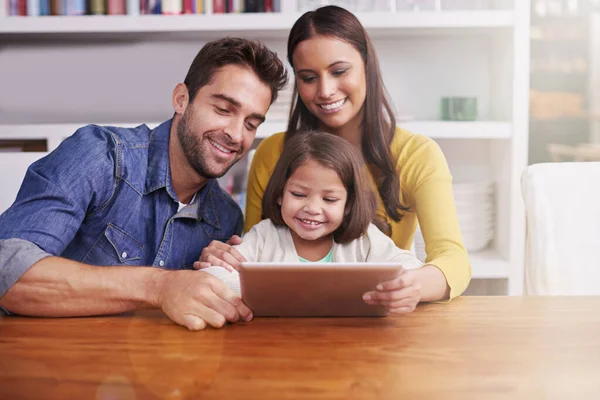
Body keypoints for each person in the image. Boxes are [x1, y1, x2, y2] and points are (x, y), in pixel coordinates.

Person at [0, 37, 288, 331]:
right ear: (181, 99)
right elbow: (7, 271)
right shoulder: (101, 156)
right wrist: (159, 287)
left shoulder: (225, 219)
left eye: (251, 124)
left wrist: (217, 277)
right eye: (224, 109)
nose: (237, 135)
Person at [199, 6, 471, 311]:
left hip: (371, 320)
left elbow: (454, 260)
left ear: (366, 66)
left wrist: (411, 286)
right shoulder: (272, 153)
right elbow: (256, 252)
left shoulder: (416, 154)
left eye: (339, 71)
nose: (326, 91)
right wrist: (224, 259)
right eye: (309, 77)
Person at [200, 131, 423, 313]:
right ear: (280, 194)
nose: (312, 209)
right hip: (275, 342)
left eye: (329, 199)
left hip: (352, 344)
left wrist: (402, 287)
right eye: (298, 194)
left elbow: (410, 267)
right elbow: (215, 276)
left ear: (347, 205)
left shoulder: (364, 238)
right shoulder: (264, 235)